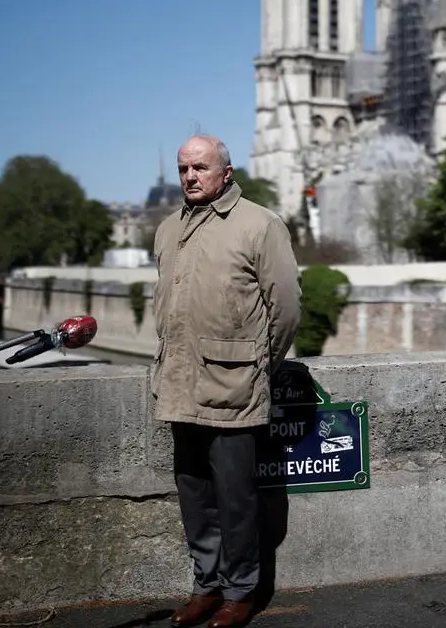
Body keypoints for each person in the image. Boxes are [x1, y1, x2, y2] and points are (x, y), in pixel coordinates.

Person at [149, 134, 302, 628]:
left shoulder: (260, 224)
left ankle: (241, 592)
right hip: (179, 385)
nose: (190, 176)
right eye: (183, 169)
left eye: (200, 167)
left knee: (236, 500)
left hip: (234, 388)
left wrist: (258, 366)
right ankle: (206, 587)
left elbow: (286, 311)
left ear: (226, 172)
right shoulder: (169, 229)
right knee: (194, 495)